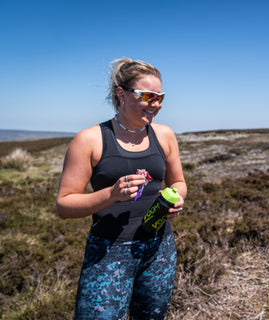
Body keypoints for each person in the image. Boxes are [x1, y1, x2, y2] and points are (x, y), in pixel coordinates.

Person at [56, 58, 187, 319]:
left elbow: (179, 183)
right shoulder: (90, 140)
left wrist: (176, 199)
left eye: (161, 97)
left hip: (159, 248)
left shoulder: (164, 135)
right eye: (148, 96)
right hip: (108, 251)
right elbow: (64, 205)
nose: (157, 104)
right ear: (121, 94)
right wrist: (111, 195)